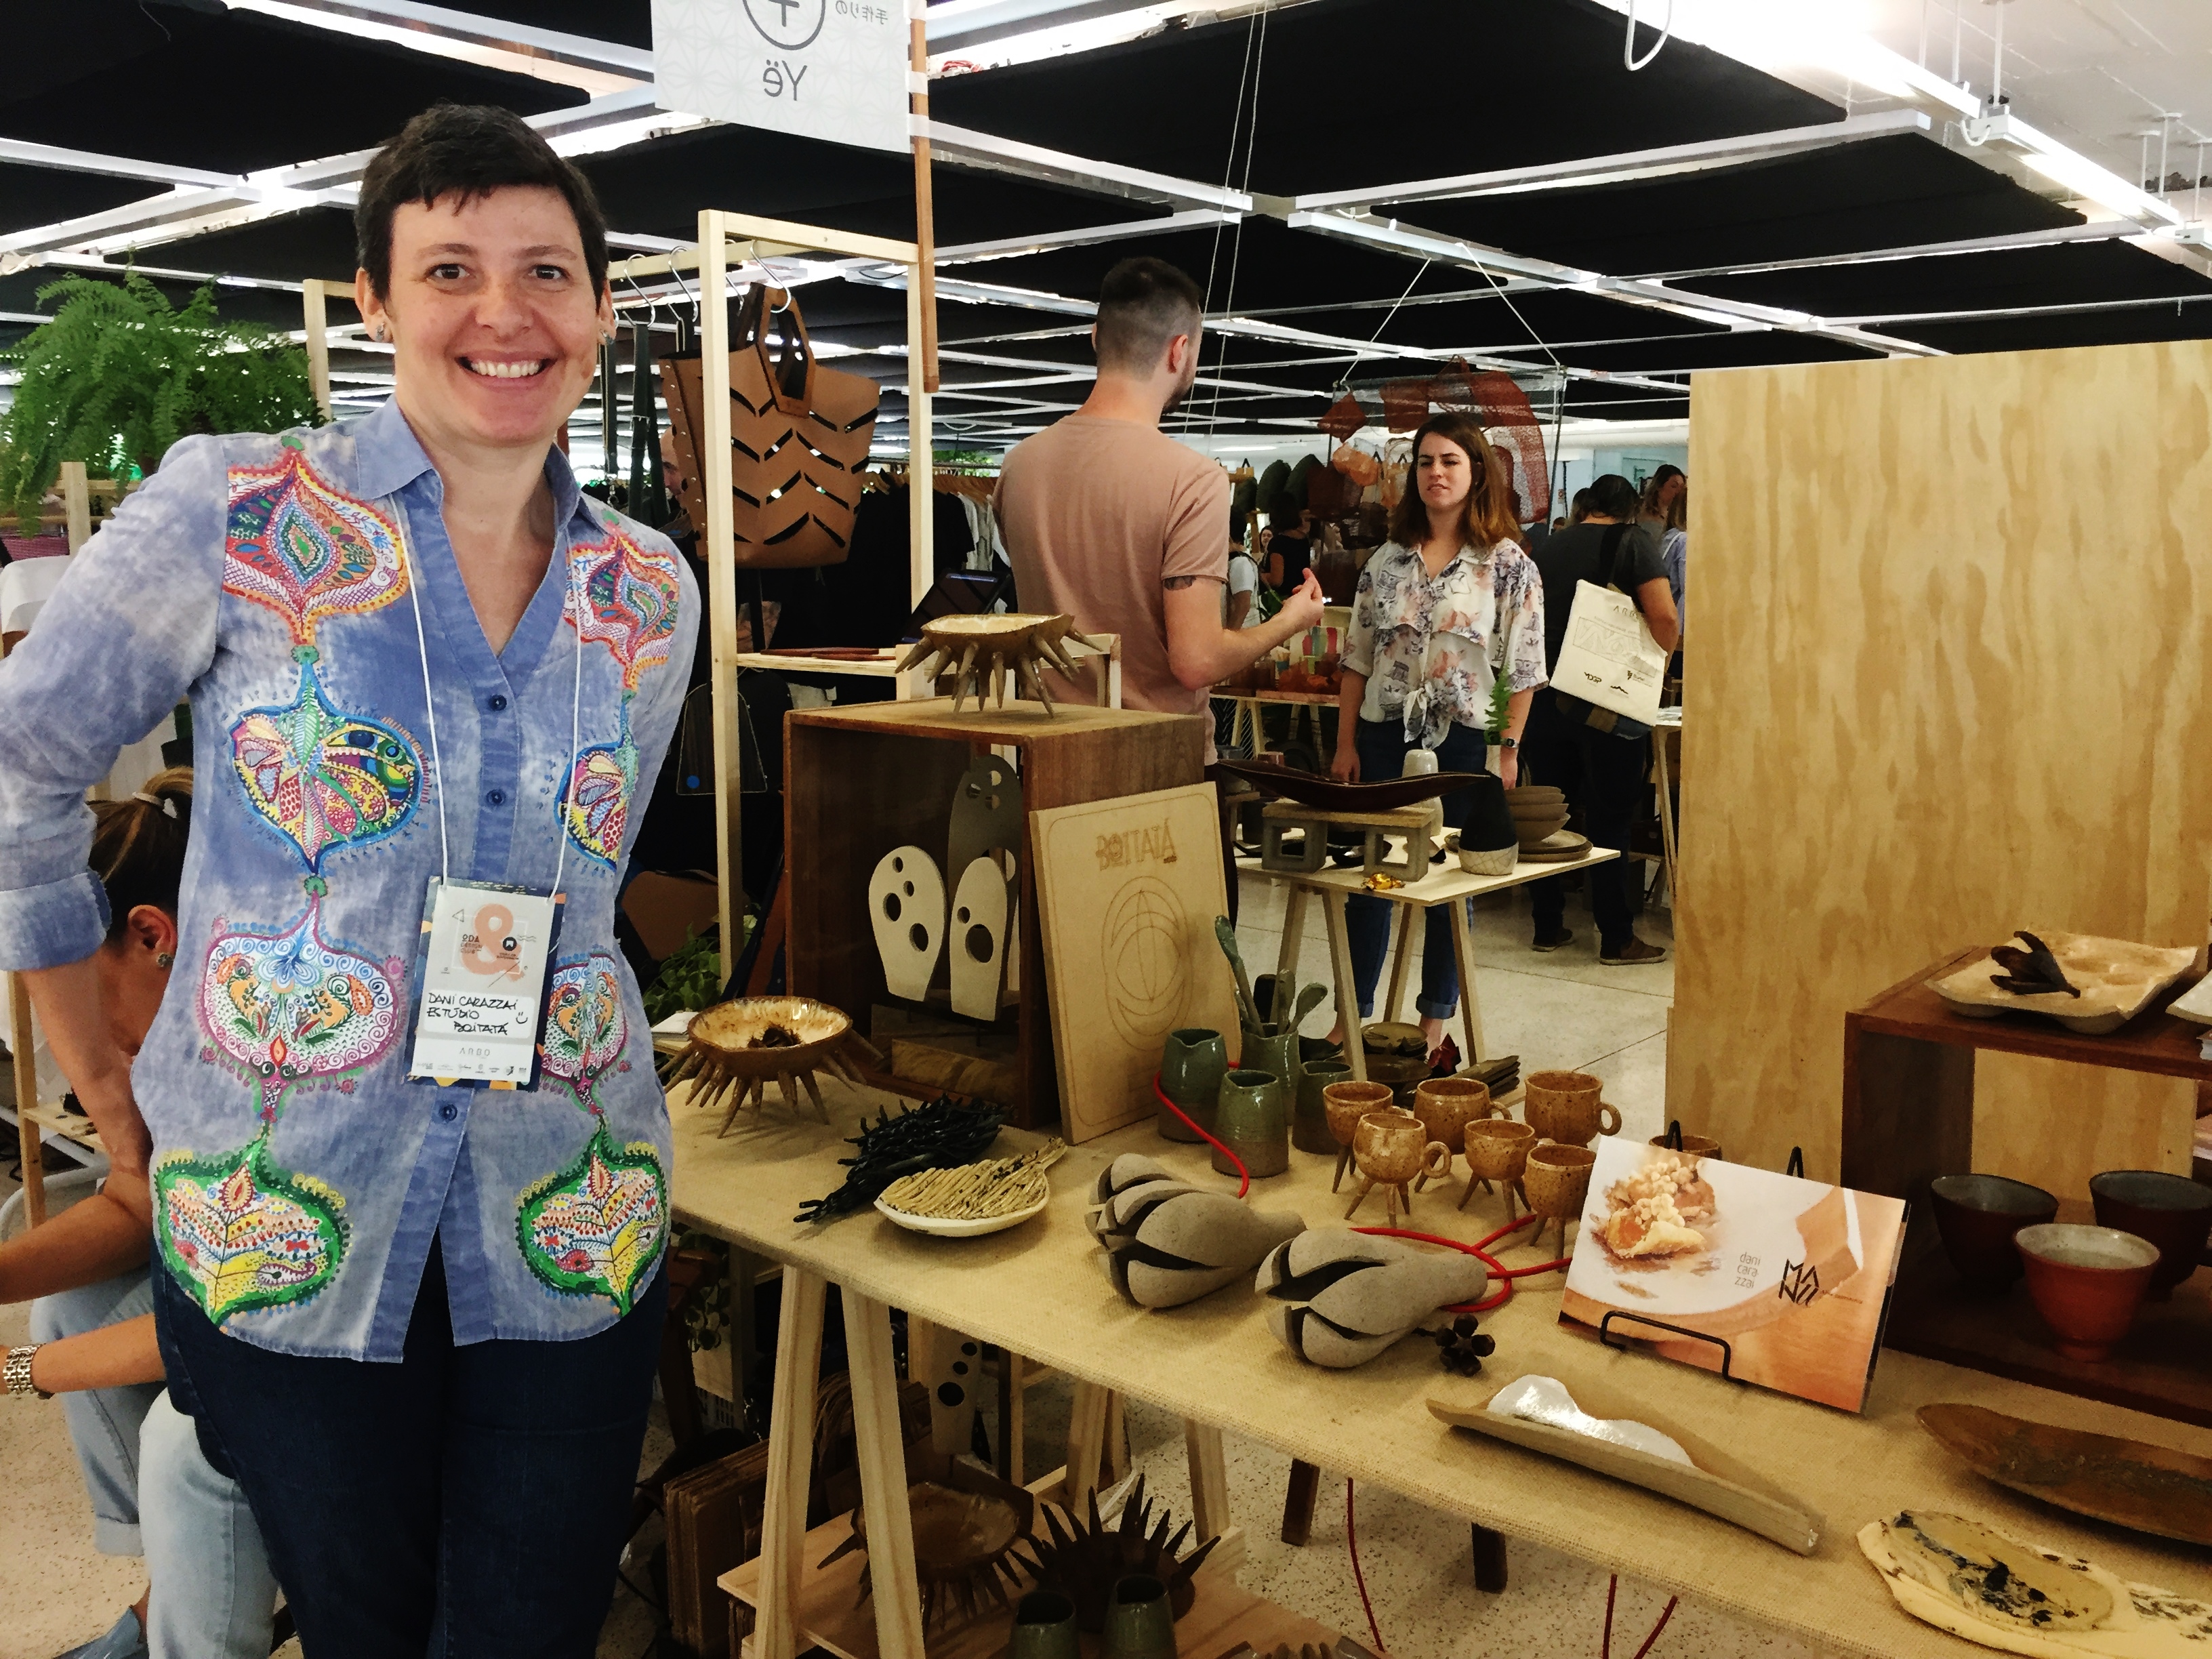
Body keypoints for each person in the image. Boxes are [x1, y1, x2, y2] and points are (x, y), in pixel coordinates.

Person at [0, 103, 697, 1658]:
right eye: (450, 269)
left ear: (599, 307)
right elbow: (21, 758)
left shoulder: (651, 589)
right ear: (375, 299)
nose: (505, 311)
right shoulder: (243, 515)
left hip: (566, 1202)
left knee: (531, 1625)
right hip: (294, 1213)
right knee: (363, 1627)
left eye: (547, 271)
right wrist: (98, 1080)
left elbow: (585, 900)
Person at [5, 771, 283, 1659]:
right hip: (248, 1298)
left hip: (331, 1322)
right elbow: (137, 1198)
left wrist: (13, 1373)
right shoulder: (170, 1034)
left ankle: (190, 1629)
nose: (78, 1046)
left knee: (180, 1443)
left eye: (80, 1003)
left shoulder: (265, 1041)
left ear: (152, 934)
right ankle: (166, 1594)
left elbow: (224, 1320)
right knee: (68, 1311)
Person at [996, 256, 1324, 758]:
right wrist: (1290, 620)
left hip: (1045, 753)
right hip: (1154, 764)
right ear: (1180, 351)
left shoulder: (1019, 466)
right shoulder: (1192, 480)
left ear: (1095, 338)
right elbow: (1197, 661)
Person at [1328, 412, 1547, 1052]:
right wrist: (1345, 743)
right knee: (1373, 880)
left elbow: (1521, 669)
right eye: (1425, 462)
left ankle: (1433, 1025)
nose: (1436, 473)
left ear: (1477, 472)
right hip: (1384, 736)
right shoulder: (1386, 562)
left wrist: (1507, 748)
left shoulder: (1508, 566)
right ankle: (1350, 1017)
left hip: (1464, 741)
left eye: (1451, 461)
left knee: (1453, 885)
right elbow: (1357, 660)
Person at [1524, 472, 1678, 964]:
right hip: (1605, 702)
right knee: (1611, 817)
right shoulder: (1632, 542)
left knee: (1549, 815)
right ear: (1630, 509)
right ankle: (1616, 937)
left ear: (1587, 505)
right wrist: (1657, 665)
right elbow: (1664, 617)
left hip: (1543, 698)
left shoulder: (1547, 547)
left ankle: (1547, 925)